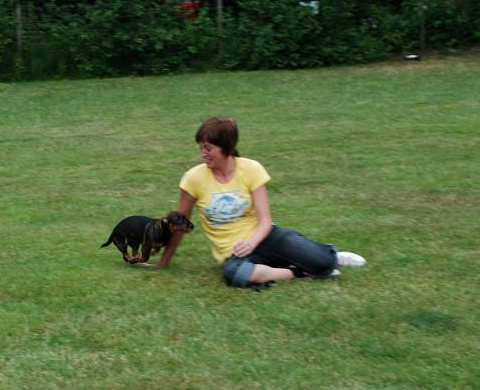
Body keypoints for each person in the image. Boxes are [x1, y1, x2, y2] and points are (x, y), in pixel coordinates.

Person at [143, 117, 366, 288]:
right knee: (234, 275)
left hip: (264, 237)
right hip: (234, 255)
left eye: (208, 148)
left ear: (227, 148)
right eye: (200, 147)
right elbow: (179, 224)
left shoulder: (251, 169)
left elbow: (266, 220)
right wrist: (164, 261)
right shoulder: (193, 178)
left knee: (324, 263)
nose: (202, 153)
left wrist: (251, 242)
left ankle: (332, 257)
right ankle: (299, 272)